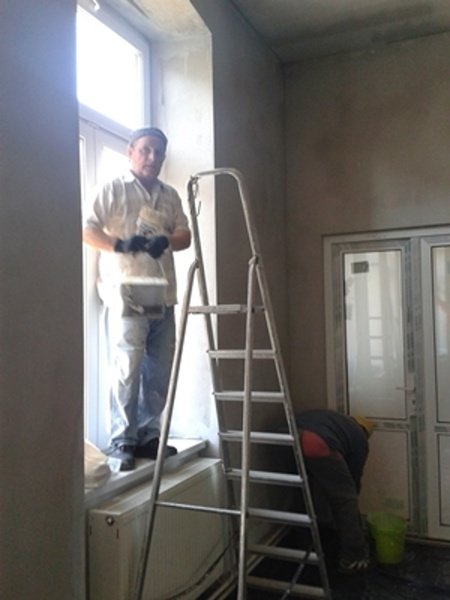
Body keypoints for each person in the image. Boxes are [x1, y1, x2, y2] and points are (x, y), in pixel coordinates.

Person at [83, 127, 191, 471]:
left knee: (159, 370)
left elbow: (185, 234)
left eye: (158, 152)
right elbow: (86, 229)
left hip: (163, 292)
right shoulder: (113, 189)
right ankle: (122, 440)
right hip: (127, 289)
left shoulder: (169, 195)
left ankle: (148, 435)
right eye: (145, 150)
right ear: (131, 151)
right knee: (126, 367)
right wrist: (118, 244)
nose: (152, 157)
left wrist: (166, 240)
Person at [295, 409, 374, 575]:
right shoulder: (360, 438)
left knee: (305, 490)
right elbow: (352, 481)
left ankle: (305, 544)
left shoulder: (336, 421)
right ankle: (353, 557)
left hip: (284, 436)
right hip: (314, 442)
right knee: (346, 498)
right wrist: (350, 516)